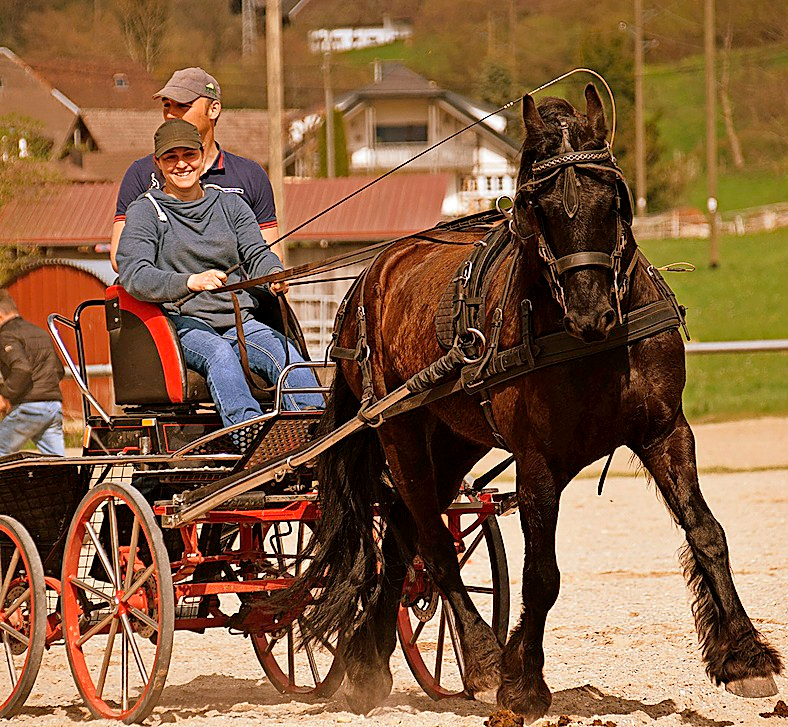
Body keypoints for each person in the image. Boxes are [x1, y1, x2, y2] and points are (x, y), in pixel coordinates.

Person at [117, 119, 323, 427]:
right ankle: (247, 433)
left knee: (287, 356)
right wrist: (189, 282)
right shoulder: (146, 211)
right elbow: (134, 273)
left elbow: (257, 254)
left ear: (202, 157)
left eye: (189, 155)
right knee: (219, 355)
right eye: (171, 157)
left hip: (239, 321)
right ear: (158, 163)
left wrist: (273, 274)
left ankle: (314, 427)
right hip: (182, 324)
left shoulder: (231, 205)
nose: (181, 164)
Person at [110, 66, 285, 276]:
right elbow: (121, 259)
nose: (171, 114)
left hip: (234, 298)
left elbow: (270, 254)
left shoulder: (250, 175)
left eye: (183, 106)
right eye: (167, 105)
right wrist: (186, 282)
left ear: (214, 109)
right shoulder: (140, 174)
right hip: (164, 301)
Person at [0, 290, 65, 456]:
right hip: (53, 406)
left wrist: (5, 394)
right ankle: (65, 482)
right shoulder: (39, 332)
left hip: (30, 407)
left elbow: (21, 369)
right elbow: (58, 369)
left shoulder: (6, 335)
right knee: (57, 462)